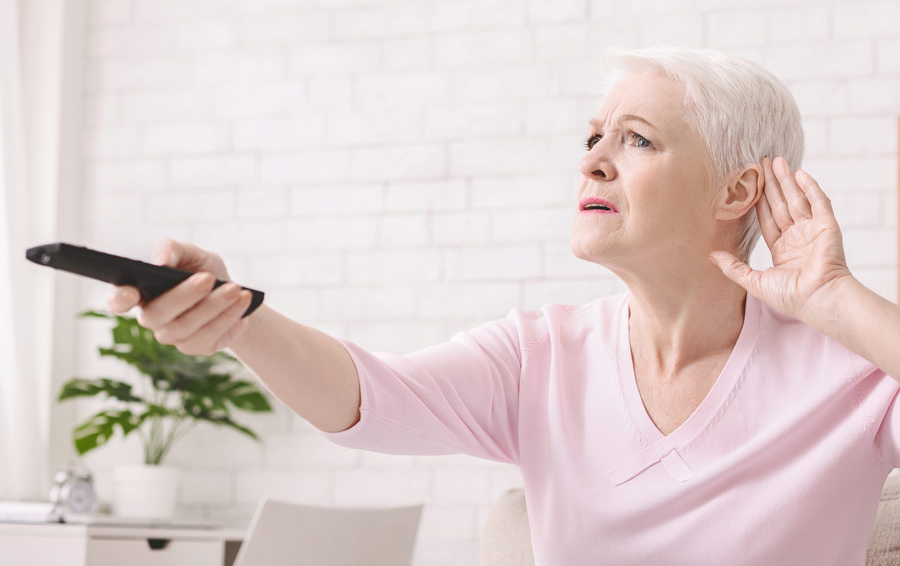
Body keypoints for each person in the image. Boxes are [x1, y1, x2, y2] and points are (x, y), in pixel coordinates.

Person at [107, 46, 900, 564]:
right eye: (593, 137)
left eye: (637, 140)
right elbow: (371, 395)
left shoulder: (852, 362)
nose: (592, 161)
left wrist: (836, 297)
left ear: (737, 189)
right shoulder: (541, 354)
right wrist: (239, 315)